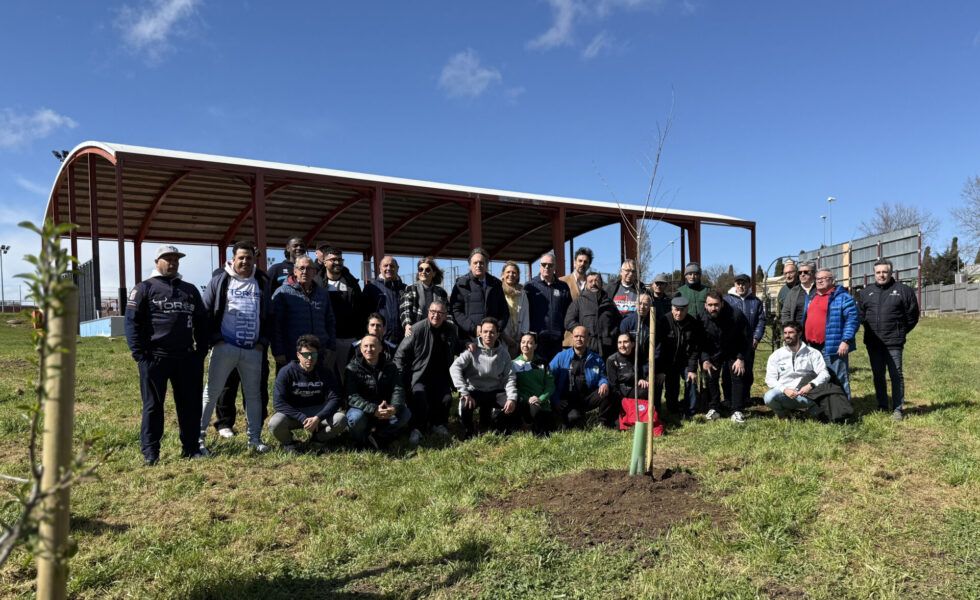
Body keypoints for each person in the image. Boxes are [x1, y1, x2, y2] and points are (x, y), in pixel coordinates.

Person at [124, 245, 208, 465]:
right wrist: (140, 355)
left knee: (190, 405)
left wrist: (200, 352)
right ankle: (151, 453)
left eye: (175, 259)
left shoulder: (189, 290)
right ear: (157, 262)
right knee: (153, 406)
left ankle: (191, 449)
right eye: (167, 259)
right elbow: (132, 322)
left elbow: (202, 321)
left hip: (187, 358)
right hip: (155, 358)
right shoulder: (144, 288)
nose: (172, 262)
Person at [199, 241, 271, 454]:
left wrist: (262, 343)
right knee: (211, 394)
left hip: (253, 350)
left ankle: (255, 440)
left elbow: (270, 314)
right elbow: (205, 311)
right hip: (224, 347)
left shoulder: (261, 280)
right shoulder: (220, 280)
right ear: (232, 259)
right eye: (241, 257)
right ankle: (198, 439)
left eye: (249, 258)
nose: (245, 261)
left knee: (254, 395)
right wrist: (215, 339)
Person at [857, 259, 920, 420]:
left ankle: (898, 409)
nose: (881, 275)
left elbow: (912, 316)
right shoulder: (866, 293)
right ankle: (882, 405)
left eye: (884, 272)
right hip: (873, 343)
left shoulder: (903, 290)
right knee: (878, 375)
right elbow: (861, 316)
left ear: (891, 272)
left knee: (896, 375)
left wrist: (900, 331)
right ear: (874, 274)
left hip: (894, 342)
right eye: (878, 272)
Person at [268, 335, 347, 454]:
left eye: (313, 354)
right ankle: (290, 444)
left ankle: (318, 440)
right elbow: (279, 403)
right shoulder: (286, 372)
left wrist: (318, 418)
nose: (309, 358)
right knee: (275, 423)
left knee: (340, 419)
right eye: (305, 354)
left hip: (318, 412)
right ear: (298, 355)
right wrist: (302, 418)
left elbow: (335, 398)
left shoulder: (325, 372)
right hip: (294, 414)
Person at [395, 300, 460, 445]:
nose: (435, 315)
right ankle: (417, 428)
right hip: (419, 375)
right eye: (432, 312)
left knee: (447, 398)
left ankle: (438, 424)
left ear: (445, 315)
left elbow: (457, 347)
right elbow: (400, 354)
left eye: (439, 313)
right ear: (428, 312)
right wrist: (400, 377)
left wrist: (468, 345)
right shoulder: (417, 329)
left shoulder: (451, 329)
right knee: (420, 396)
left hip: (440, 376)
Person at [451, 317, 519, 437]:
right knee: (465, 404)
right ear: (480, 333)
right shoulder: (472, 350)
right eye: (485, 331)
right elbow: (454, 368)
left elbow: (510, 377)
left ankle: (498, 426)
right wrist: (464, 392)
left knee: (512, 404)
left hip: (494, 390)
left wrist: (511, 398)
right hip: (475, 390)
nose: (488, 335)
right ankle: (468, 430)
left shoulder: (504, 353)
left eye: (492, 332)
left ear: (498, 334)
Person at [271, 256, 337, 370]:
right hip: (291, 354)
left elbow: (330, 321)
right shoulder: (282, 293)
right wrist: (278, 351)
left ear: (315, 272)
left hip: (319, 353)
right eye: (301, 268)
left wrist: (330, 347)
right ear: (295, 271)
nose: (305, 271)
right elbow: (275, 324)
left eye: (309, 268)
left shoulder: (323, 294)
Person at [345, 334, 410, 448]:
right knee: (355, 419)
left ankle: (379, 436)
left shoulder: (390, 366)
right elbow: (352, 396)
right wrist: (374, 409)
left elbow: (398, 389)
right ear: (360, 349)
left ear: (380, 348)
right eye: (365, 346)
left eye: (372, 346)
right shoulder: (351, 368)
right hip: (362, 409)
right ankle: (362, 441)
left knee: (405, 414)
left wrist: (394, 407)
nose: (369, 349)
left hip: (384, 407)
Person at [804, 269, 859, 400]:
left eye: (824, 278)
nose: (820, 280)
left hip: (833, 346)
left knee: (838, 377)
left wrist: (845, 340)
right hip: (812, 346)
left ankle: (844, 409)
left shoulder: (843, 297)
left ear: (833, 280)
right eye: (817, 278)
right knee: (818, 378)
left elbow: (853, 320)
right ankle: (825, 407)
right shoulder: (812, 297)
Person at [763, 321, 831, 418]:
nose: (787, 336)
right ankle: (784, 415)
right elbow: (770, 379)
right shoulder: (776, 355)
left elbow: (825, 374)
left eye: (791, 332)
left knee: (826, 397)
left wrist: (811, 385)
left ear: (799, 334)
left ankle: (810, 413)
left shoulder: (812, 353)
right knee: (768, 397)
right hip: (784, 394)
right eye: (785, 333)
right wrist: (785, 389)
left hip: (808, 394)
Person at [549, 326, 613, 428]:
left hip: (587, 397)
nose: (579, 339)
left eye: (582, 336)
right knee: (575, 420)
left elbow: (602, 375)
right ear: (572, 338)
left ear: (588, 339)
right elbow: (549, 379)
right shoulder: (560, 357)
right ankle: (572, 417)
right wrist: (556, 399)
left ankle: (602, 423)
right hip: (568, 400)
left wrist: (603, 383)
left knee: (608, 392)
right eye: (576, 336)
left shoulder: (596, 358)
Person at [317, 245, 365, 380]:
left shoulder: (352, 284)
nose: (337, 262)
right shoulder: (317, 284)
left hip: (348, 339)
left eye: (340, 259)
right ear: (324, 262)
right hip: (326, 340)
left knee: (348, 378)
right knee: (326, 377)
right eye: (333, 260)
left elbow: (360, 311)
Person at [700, 291, 749, 424]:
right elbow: (700, 341)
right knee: (711, 376)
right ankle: (714, 407)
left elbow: (745, 337)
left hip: (734, 349)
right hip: (714, 350)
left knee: (737, 376)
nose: (713, 308)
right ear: (705, 305)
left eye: (716, 305)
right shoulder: (702, 317)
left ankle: (736, 410)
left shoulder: (736, 315)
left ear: (722, 304)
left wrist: (740, 358)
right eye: (710, 305)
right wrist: (705, 359)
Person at [653, 296, 702, 419]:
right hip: (668, 362)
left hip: (685, 361)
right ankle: (672, 408)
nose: (679, 313)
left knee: (691, 380)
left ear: (687, 309)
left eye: (682, 310)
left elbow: (695, 349)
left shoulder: (692, 323)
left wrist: (692, 369)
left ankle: (690, 411)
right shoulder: (664, 321)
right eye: (676, 309)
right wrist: (661, 370)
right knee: (671, 388)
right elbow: (659, 348)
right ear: (672, 308)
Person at [450, 248, 509, 345]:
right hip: (469, 339)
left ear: (486, 265)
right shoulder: (461, 284)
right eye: (475, 263)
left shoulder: (496, 284)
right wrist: (473, 328)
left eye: (481, 263)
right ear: (470, 265)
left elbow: (504, 311)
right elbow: (455, 311)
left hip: (492, 340)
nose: (478, 265)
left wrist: (497, 328)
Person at [724, 273, 766, 407]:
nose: (741, 286)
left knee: (747, 371)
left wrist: (756, 337)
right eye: (738, 283)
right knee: (728, 372)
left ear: (749, 285)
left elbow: (761, 321)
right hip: (730, 344)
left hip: (748, 344)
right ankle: (728, 398)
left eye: (744, 283)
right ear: (734, 284)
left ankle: (745, 397)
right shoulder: (727, 300)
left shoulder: (756, 302)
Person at [525, 252, 572, 362]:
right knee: (538, 371)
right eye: (544, 264)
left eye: (550, 265)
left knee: (554, 373)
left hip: (556, 339)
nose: (547, 267)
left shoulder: (563, 287)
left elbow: (568, 311)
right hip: (536, 340)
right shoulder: (530, 286)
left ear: (555, 266)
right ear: (540, 266)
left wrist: (561, 329)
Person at [564, 272, 620, 358]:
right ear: (586, 284)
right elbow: (569, 321)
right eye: (590, 281)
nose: (594, 283)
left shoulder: (609, 303)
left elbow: (618, 322)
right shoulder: (578, 302)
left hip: (607, 348)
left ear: (601, 283)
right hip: (586, 347)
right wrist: (581, 333)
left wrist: (611, 335)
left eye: (597, 281)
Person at [511, 332, 555, 435]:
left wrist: (540, 399)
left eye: (530, 343)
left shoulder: (543, 363)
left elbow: (550, 385)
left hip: (541, 404)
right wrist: (528, 399)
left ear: (535, 346)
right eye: (523, 342)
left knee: (546, 430)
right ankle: (525, 425)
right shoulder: (513, 364)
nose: (525, 345)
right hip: (523, 403)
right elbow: (513, 387)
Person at [399, 256, 450, 337]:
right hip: (417, 332)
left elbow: (447, 313)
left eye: (428, 270)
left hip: (438, 333)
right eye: (420, 269)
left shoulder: (441, 292)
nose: (423, 272)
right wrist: (407, 324)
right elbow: (405, 309)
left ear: (433, 273)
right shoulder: (410, 289)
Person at [363, 255, 407, 347]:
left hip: (403, 341)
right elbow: (364, 316)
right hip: (380, 341)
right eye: (385, 265)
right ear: (379, 268)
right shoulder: (371, 288)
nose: (389, 268)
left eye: (392, 266)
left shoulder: (405, 289)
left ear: (397, 268)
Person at [559, 247, 593, 347]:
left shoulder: (593, 284)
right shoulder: (561, 282)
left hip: (587, 339)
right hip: (567, 338)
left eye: (585, 262)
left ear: (589, 265)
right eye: (580, 261)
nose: (582, 264)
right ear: (574, 262)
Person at [606, 333, 650, 410]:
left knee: (657, 380)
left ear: (632, 344)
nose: (622, 345)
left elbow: (646, 371)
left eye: (625, 342)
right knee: (643, 391)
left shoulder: (638, 356)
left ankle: (653, 412)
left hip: (636, 388)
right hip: (622, 392)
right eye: (619, 342)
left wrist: (645, 380)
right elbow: (613, 384)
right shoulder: (612, 360)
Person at [499, 261, 530, 357]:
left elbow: (525, 315)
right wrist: (504, 337)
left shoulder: (522, 293)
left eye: (514, 272)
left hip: (518, 338)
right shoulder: (497, 291)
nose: (511, 275)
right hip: (502, 337)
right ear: (503, 275)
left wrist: (522, 337)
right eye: (508, 272)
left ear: (517, 276)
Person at [619, 292, 653, 359]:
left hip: (648, 361)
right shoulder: (626, 322)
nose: (642, 307)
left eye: (646, 304)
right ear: (635, 304)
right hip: (630, 360)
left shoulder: (654, 324)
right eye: (639, 303)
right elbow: (622, 345)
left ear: (650, 306)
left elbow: (657, 347)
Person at [782, 261, 816, 326]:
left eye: (806, 272)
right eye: (800, 272)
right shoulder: (793, 292)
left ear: (813, 273)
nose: (802, 274)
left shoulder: (819, 290)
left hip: (816, 331)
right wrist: (789, 328)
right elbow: (785, 313)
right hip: (798, 333)